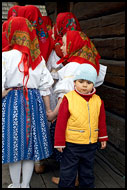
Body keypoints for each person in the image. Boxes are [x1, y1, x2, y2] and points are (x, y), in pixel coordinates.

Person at [2, 16, 54, 188]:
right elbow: (45, 87)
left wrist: (5, 92)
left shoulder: (5, 56)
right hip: (34, 103)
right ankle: (25, 185)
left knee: (14, 146)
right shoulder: (37, 58)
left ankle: (16, 185)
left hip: (12, 102)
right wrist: (48, 111)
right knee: (31, 148)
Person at [54, 63, 108, 188]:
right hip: (72, 144)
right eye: (81, 81)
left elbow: (101, 120)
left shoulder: (98, 100)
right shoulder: (69, 98)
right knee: (68, 173)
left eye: (89, 82)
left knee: (87, 172)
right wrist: (59, 141)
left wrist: (103, 137)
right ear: (75, 82)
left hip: (90, 144)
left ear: (93, 84)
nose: (84, 85)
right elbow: (61, 122)